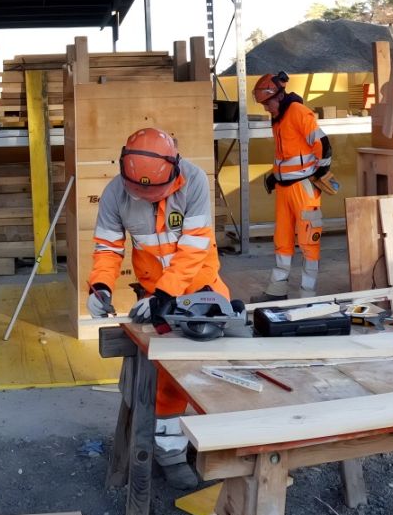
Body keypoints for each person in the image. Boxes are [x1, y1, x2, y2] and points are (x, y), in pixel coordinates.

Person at [84, 127, 225, 489]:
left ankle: (215, 443)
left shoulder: (194, 182)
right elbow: (108, 249)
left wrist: (167, 295)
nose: (147, 198)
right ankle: (170, 450)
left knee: (219, 370)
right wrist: (100, 285)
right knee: (166, 375)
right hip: (153, 295)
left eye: (154, 192)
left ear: (174, 167)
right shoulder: (115, 194)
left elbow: (194, 248)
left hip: (201, 287)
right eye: (141, 193)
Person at [252, 72, 333, 300]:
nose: (266, 108)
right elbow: (285, 154)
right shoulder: (278, 117)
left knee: (309, 241)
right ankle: (277, 291)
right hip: (285, 189)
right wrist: (274, 176)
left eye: (267, 103)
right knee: (282, 240)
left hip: (303, 189)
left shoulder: (298, 112)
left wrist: (321, 172)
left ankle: (308, 295)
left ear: (278, 95)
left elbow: (323, 144)